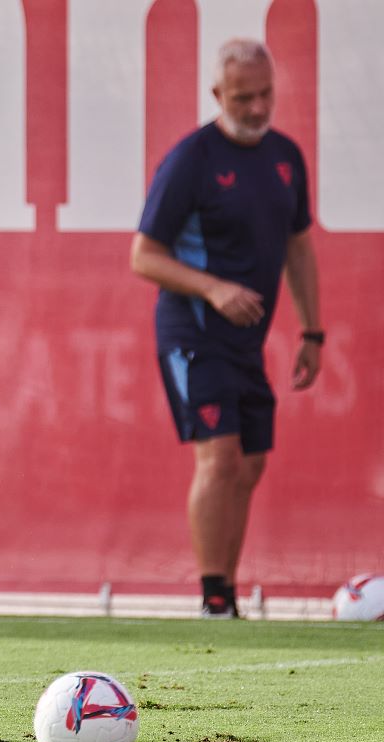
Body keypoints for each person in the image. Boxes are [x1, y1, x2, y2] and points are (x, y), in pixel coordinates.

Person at [131, 38, 323, 618]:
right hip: (193, 332)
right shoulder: (191, 160)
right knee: (219, 457)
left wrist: (312, 332)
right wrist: (213, 289)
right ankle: (214, 598)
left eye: (266, 94)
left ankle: (228, 594)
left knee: (251, 463)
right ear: (218, 94)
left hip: (247, 341)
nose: (258, 107)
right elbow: (143, 256)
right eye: (244, 98)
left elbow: (298, 246)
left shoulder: (285, 157)